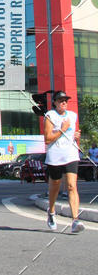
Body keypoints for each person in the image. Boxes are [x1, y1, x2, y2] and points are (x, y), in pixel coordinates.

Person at [44, 91, 84, 233]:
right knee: (55, 185)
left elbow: (74, 135)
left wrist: (76, 136)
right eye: (61, 100)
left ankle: (75, 220)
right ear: (55, 102)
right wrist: (62, 129)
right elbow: (47, 139)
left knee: (72, 186)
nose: (64, 102)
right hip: (55, 156)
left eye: (66, 100)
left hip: (71, 154)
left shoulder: (73, 115)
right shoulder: (50, 116)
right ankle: (51, 212)